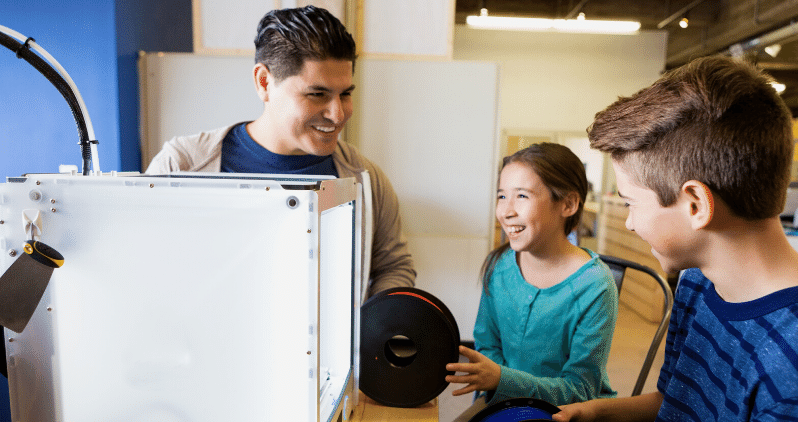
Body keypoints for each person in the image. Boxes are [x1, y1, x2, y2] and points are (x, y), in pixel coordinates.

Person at [553, 56, 798, 422]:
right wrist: (595, 412)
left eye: (632, 203)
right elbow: (674, 402)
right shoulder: (698, 280)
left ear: (696, 204)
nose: (630, 223)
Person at [145, 6, 415, 298]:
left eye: (346, 94)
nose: (338, 115)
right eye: (317, 94)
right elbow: (142, 260)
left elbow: (394, 266)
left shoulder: (365, 178)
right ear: (264, 82)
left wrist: (370, 327)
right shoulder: (182, 165)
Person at [447, 143, 619, 421]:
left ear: (568, 204)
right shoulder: (499, 265)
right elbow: (488, 346)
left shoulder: (595, 285)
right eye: (501, 196)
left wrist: (502, 379)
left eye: (522, 196)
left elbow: (581, 390)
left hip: (566, 413)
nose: (505, 211)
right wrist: (499, 383)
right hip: (504, 404)